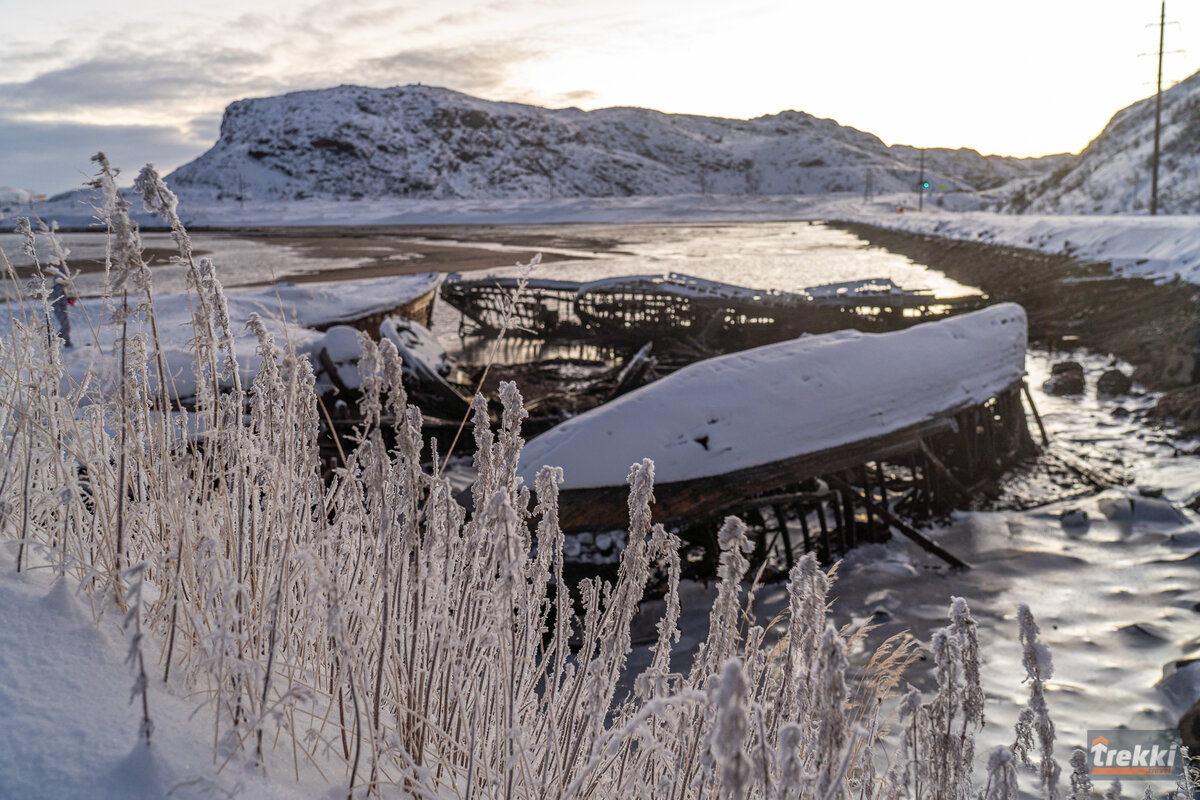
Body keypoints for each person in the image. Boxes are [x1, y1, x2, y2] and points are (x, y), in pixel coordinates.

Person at [48, 280, 72, 347]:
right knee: (66, 326)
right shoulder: (58, 288)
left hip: (61, 309)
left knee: (66, 326)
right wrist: (68, 300)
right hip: (59, 310)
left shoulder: (59, 287)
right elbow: (59, 300)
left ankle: (56, 341)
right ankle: (65, 343)